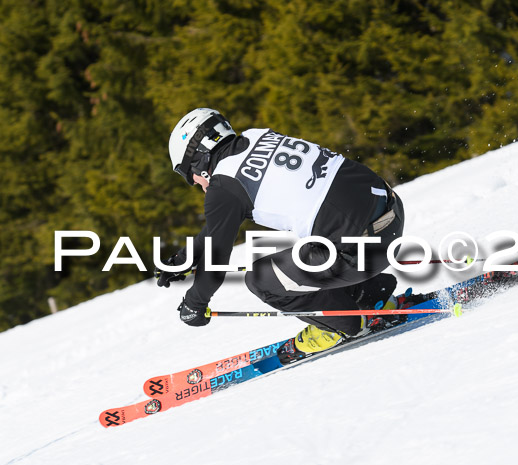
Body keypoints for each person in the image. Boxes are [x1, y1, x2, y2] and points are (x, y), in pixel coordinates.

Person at [155, 108, 412, 364]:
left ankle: (341, 325)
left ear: (200, 159)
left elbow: (216, 262)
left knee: (261, 279)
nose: (197, 184)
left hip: (361, 252)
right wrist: (184, 259)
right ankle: (373, 297)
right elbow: (217, 227)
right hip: (391, 217)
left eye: (190, 176)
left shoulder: (223, 187)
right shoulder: (257, 137)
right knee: (316, 246)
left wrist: (194, 304)